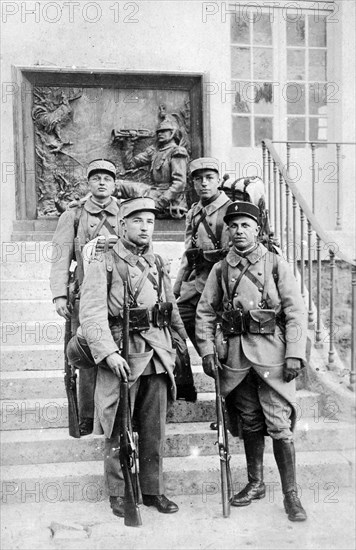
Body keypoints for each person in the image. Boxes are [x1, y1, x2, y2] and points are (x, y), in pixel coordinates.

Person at [195, 201, 308, 522]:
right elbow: (204, 312)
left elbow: (295, 311)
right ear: (227, 231)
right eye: (233, 226)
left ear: (258, 229)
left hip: (273, 355)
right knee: (250, 420)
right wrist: (206, 349)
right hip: (236, 358)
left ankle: (291, 495)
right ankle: (256, 483)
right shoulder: (220, 269)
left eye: (245, 225)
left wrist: (295, 353)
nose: (239, 231)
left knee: (279, 425)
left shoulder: (274, 264)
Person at [77, 197, 186, 517]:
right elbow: (92, 315)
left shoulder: (158, 262)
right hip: (122, 354)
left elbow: (170, 306)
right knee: (116, 427)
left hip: (156, 354)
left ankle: (153, 490)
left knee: (155, 429)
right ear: (121, 224)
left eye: (150, 222)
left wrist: (178, 341)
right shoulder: (104, 264)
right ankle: (120, 493)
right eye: (137, 221)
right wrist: (108, 354)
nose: (145, 227)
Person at [50, 159, 121, 436]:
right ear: (88, 183)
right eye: (96, 178)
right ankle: (88, 419)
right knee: (88, 355)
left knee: (119, 351)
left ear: (114, 184)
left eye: (107, 178)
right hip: (84, 295)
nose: (102, 182)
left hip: (119, 295)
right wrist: (59, 295)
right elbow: (59, 258)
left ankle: (117, 416)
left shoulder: (125, 212)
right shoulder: (74, 215)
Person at [173, 157, 231, 351]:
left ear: (219, 181)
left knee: (219, 345)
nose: (204, 183)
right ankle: (184, 381)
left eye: (209, 177)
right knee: (175, 322)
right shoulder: (195, 212)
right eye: (198, 179)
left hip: (219, 287)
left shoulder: (230, 211)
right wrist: (178, 286)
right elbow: (188, 252)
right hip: (195, 285)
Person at [122, 117, 188, 218]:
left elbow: (180, 183)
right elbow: (129, 165)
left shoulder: (177, 151)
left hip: (168, 199)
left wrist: (162, 201)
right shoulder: (155, 152)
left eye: (163, 131)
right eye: (158, 132)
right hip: (154, 192)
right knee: (120, 185)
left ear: (172, 133)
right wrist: (128, 143)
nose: (159, 134)